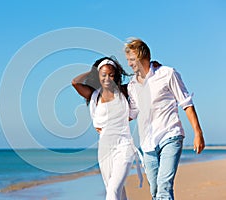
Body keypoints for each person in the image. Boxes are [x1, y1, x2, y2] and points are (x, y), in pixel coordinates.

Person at [124, 38, 205, 200]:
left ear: (143, 57)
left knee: (164, 188)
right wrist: (108, 123)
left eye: (132, 60)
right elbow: (132, 113)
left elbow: (186, 103)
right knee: (155, 191)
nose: (129, 64)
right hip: (147, 144)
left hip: (170, 136)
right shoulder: (133, 85)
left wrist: (198, 133)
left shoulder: (168, 74)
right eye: (128, 60)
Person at [72, 56, 140, 200]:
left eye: (111, 75)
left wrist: (153, 65)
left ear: (116, 77)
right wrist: (91, 71)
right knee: (116, 190)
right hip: (104, 149)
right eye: (103, 75)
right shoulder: (94, 95)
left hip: (124, 145)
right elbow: (75, 82)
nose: (107, 78)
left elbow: (142, 79)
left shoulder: (124, 90)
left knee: (112, 190)